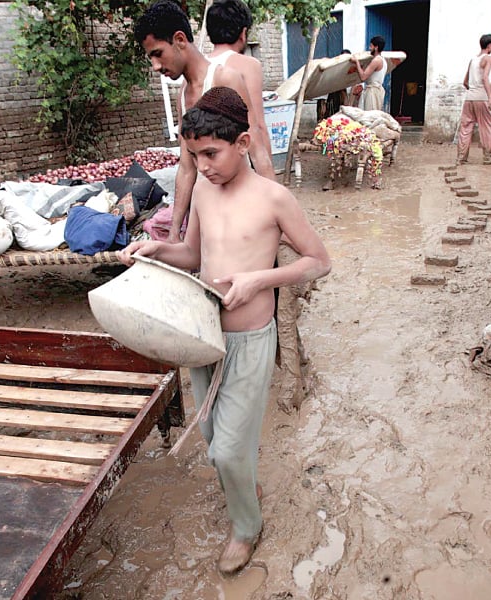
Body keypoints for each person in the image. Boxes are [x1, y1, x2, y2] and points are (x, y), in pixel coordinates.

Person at [117, 86, 331, 575]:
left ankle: (246, 528)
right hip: (203, 339)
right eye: (194, 155)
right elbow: (193, 254)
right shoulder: (206, 194)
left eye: (211, 153)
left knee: (231, 448)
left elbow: (319, 263)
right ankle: (244, 486)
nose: (203, 165)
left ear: (243, 141)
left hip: (251, 340)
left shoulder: (274, 199)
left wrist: (262, 279)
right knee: (216, 443)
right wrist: (157, 251)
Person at [134, 0, 253, 244]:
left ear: (179, 40)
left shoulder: (225, 78)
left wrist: (274, 214)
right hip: (208, 209)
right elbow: (187, 166)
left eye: (158, 54)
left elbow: (256, 147)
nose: (156, 66)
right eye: (151, 58)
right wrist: (176, 231)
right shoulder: (183, 96)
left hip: (241, 207)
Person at [206, 0, 275, 181]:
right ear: (243, 33)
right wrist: (269, 180)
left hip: (205, 174)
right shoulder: (247, 65)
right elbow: (257, 126)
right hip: (235, 172)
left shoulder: (199, 68)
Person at [456, 34, 491, 166]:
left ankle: (461, 158)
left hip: (469, 98)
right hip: (481, 97)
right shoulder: (488, 58)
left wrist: (472, 90)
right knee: (487, 127)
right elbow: (485, 78)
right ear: (489, 45)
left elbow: (465, 82)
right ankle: (488, 157)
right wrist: (490, 98)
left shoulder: (473, 60)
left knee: (465, 128)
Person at [352, 35, 387, 110]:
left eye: (371, 46)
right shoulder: (383, 60)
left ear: (376, 47)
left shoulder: (376, 60)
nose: (369, 48)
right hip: (376, 91)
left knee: (369, 116)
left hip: (372, 92)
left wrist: (357, 62)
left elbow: (363, 77)